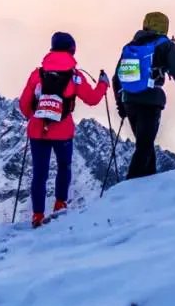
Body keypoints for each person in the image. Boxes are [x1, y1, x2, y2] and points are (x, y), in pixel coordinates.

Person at [18, 32, 109, 228]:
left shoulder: (37, 74)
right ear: (72, 50)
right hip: (63, 130)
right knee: (63, 167)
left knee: (39, 174)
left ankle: (37, 215)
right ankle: (60, 204)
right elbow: (92, 99)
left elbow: (24, 105)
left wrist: (34, 117)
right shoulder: (75, 76)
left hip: (37, 130)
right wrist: (103, 84)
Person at [112, 12, 175, 179]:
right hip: (151, 101)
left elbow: (117, 78)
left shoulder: (131, 46)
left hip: (129, 101)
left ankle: (147, 187)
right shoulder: (166, 46)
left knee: (146, 145)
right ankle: (127, 190)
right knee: (144, 148)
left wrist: (120, 105)